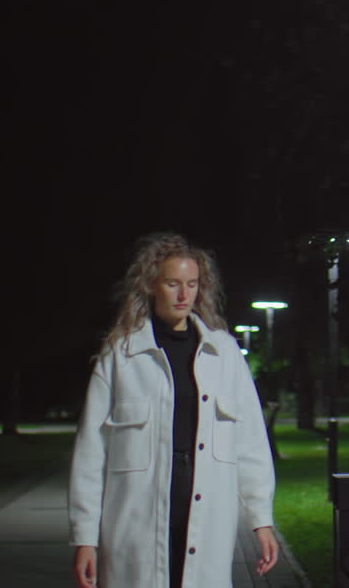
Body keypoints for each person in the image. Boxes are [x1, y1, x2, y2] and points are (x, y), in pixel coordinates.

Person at [69, 233, 279, 588]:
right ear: (152, 286)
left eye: (192, 284)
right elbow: (91, 453)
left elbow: (252, 444)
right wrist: (85, 538)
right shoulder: (121, 355)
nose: (184, 295)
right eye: (173, 284)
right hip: (136, 520)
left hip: (207, 512)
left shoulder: (225, 354)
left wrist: (261, 520)